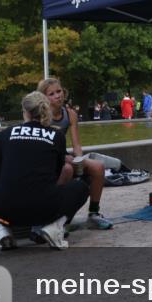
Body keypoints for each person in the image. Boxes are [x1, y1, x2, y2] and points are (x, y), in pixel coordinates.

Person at [0, 91, 89, 250]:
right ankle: (54, 228)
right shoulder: (57, 136)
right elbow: (57, 170)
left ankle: (3, 229)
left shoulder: (8, 134)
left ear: (25, 112)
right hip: (42, 212)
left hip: (3, 211)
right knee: (81, 187)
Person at [38, 77, 112, 230]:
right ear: (44, 98)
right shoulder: (41, 116)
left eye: (59, 91)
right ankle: (54, 217)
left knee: (98, 167)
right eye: (51, 94)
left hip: (64, 155)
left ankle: (93, 213)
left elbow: (76, 144)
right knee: (67, 169)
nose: (57, 96)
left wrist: (79, 159)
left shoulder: (70, 114)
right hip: (47, 157)